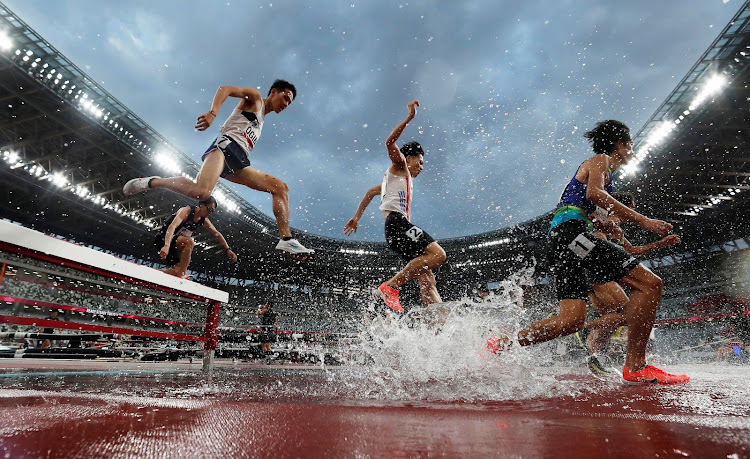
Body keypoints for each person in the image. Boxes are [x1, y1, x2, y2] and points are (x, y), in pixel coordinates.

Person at [506, 120, 688, 384]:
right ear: (620, 145)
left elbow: (589, 199)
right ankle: (636, 366)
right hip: (571, 234)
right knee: (650, 285)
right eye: (631, 145)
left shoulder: (601, 172)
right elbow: (594, 193)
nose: (633, 151)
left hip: (564, 237)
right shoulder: (600, 159)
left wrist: (601, 221)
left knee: (571, 321)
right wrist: (645, 221)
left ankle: (501, 343)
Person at [123, 79, 313, 255]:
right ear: (273, 92)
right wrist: (213, 112)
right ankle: (152, 182)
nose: (286, 104)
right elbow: (226, 89)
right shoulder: (256, 99)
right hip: (224, 148)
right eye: (285, 97)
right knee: (202, 193)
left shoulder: (262, 120)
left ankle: (286, 239)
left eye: (290, 103)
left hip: (239, 160)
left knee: (280, 188)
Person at [344, 100, 447, 312]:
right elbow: (389, 143)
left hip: (394, 228)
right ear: (408, 159)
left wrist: (356, 217)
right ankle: (390, 287)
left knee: (426, 275)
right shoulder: (400, 166)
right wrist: (409, 118)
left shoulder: (390, 181)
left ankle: (438, 320)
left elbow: (369, 193)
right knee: (438, 255)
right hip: (397, 223)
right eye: (420, 162)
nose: (422, 167)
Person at [582, 191, 682, 374]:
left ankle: (591, 357)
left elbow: (632, 250)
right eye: (631, 208)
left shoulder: (616, 229)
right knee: (627, 315)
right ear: (622, 206)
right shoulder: (604, 220)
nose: (633, 211)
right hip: (598, 272)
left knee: (610, 322)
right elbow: (590, 236)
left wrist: (660, 244)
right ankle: (579, 328)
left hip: (595, 272)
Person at [155, 196, 237, 278]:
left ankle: (152, 273)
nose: (210, 212)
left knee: (177, 272)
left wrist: (228, 249)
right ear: (201, 205)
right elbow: (172, 227)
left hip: (173, 244)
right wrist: (166, 245)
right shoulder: (186, 211)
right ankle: (183, 273)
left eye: (212, 211)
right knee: (189, 242)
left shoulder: (204, 220)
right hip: (164, 238)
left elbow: (217, 234)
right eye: (209, 209)